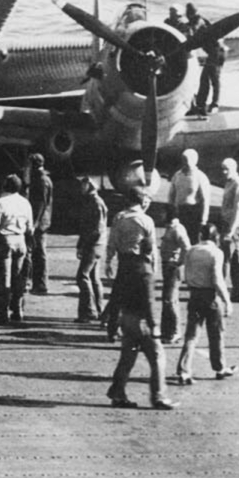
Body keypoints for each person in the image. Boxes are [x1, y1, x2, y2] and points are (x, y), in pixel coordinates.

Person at [106, 220, 173, 411]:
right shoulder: (146, 272)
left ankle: (118, 392)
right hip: (141, 321)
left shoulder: (127, 267)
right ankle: (158, 396)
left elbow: (115, 296)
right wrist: (155, 326)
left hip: (126, 317)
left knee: (127, 357)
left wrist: (112, 322)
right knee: (158, 356)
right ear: (152, 253)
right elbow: (149, 302)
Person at [173, 233, 235, 384]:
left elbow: (180, 269)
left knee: (191, 335)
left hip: (194, 295)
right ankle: (219, 368)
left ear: (200, 235)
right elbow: (217, 279)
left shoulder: (191, 250)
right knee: (216, 333)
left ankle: (183, 370)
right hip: (210, 296)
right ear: (216, 238)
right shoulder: (216, 253)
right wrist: (227, 300)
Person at [104, 187, 159, 344]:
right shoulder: (147, 220)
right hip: (142, 262)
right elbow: (152, 246)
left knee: (117, 297)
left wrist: (108, 261)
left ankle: (112, 330)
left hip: (124, 261)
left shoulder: (120, 217)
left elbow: (112, 241)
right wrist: (154, 266)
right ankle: (153, 326)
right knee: (147, 297)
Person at [0, 172, 35, 324]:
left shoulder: (0, 202)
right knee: (18, 278)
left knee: (3, 278)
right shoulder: (25, 203)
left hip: (5, 240)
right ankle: (18, 309)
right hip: (21, 240)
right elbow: (30, 227)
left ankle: (3, 313)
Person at [71, 176, 108, 324]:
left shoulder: (95, 203)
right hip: (96, 244)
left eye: (83, 185)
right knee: (93, 277)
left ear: (90, 186)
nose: (81, 187)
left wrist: (84, 245)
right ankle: (99, 310)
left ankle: (88, 311)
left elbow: (96, 229)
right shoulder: (92, 202)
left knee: (82, 276)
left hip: (93, 245)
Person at [213, 158, 239, 301]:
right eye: (222, 168)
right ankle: (236, 291)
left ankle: (230, 291)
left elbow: (238, 210)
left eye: (226, 169)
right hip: (227, 223)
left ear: (234, 169)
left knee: (229, 258)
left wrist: (230, 231)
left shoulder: (238, 184)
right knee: (233, 258)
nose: (224, 172)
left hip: (234, 225)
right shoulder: (229, 183)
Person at [157, 210, 189, 343]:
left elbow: (186, 247)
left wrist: (179, 262)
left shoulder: (176, 229)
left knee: (170, 299)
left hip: (172, 266)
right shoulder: (170, 228)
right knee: (167, 299)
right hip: (168, 265)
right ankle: (166, 330)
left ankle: (175, 331)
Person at [25, 154, 54, 295]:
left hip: (39, 222)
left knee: (39, 253)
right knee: (36, 252)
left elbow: (41, 203)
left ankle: (41, 284)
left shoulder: (41, 180)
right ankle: (36, 282)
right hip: (41, 220)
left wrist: (34, 223)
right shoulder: (41, 178)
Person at [169, 148, 212, 241]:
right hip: (180, 212)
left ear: (194, 160)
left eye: (187, 160)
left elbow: (205, 200)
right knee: (179, 240)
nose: (184, 163)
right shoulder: (177, 175)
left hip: (194, 214)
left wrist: (204, 219)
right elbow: (171, 194)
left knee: (193, 241)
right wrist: (171, 211)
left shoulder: (201, 177)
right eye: (183, 160)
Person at [192, 36, 228, 116]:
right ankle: (201, 104)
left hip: (216, 53)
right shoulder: (200, 30)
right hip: (214, 53)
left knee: (213, 79)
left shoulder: (201, 29)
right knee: (205, 79)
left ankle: (213, 104)